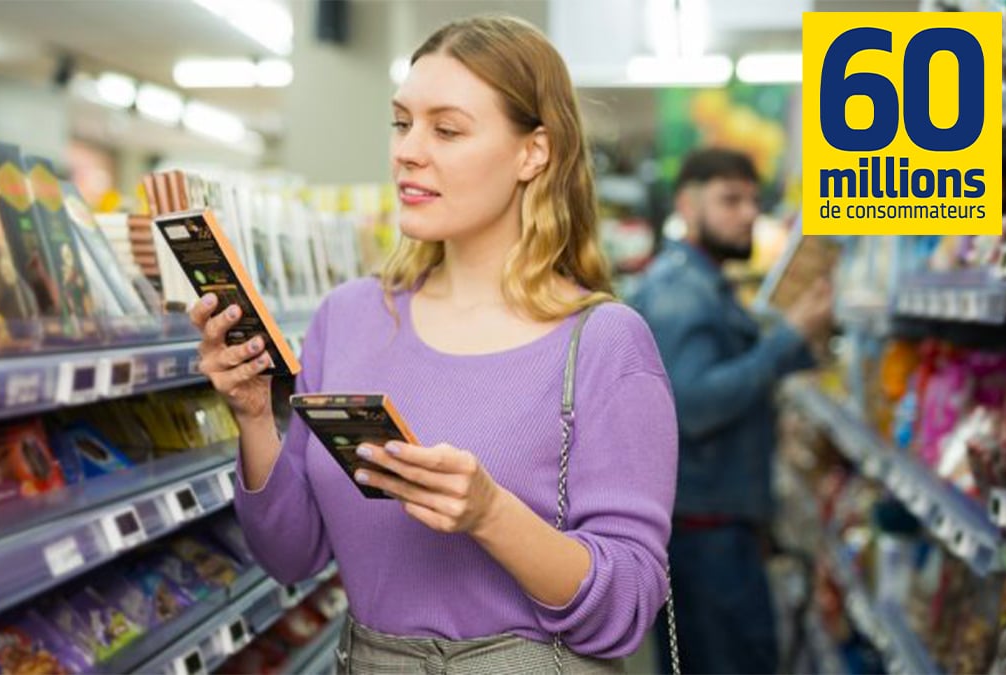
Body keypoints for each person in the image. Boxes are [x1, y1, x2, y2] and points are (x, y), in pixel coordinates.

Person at [190, 15, 678, 674]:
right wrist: (253, 416)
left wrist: (490, 513)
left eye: (446, 129)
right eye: (402, 123)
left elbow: (630, 603)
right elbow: (293, 555)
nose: (408, 150)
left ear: (534, 152)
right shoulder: (349, 317)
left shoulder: (603, 341)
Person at [629, 148, 834, 674]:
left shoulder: (699, 281)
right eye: (729, 200)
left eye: (751, 200)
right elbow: (694, 405)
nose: (747, 214)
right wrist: (786, 340)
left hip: (709, 530)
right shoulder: (683, 292)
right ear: (686, 204)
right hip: (706, 539)